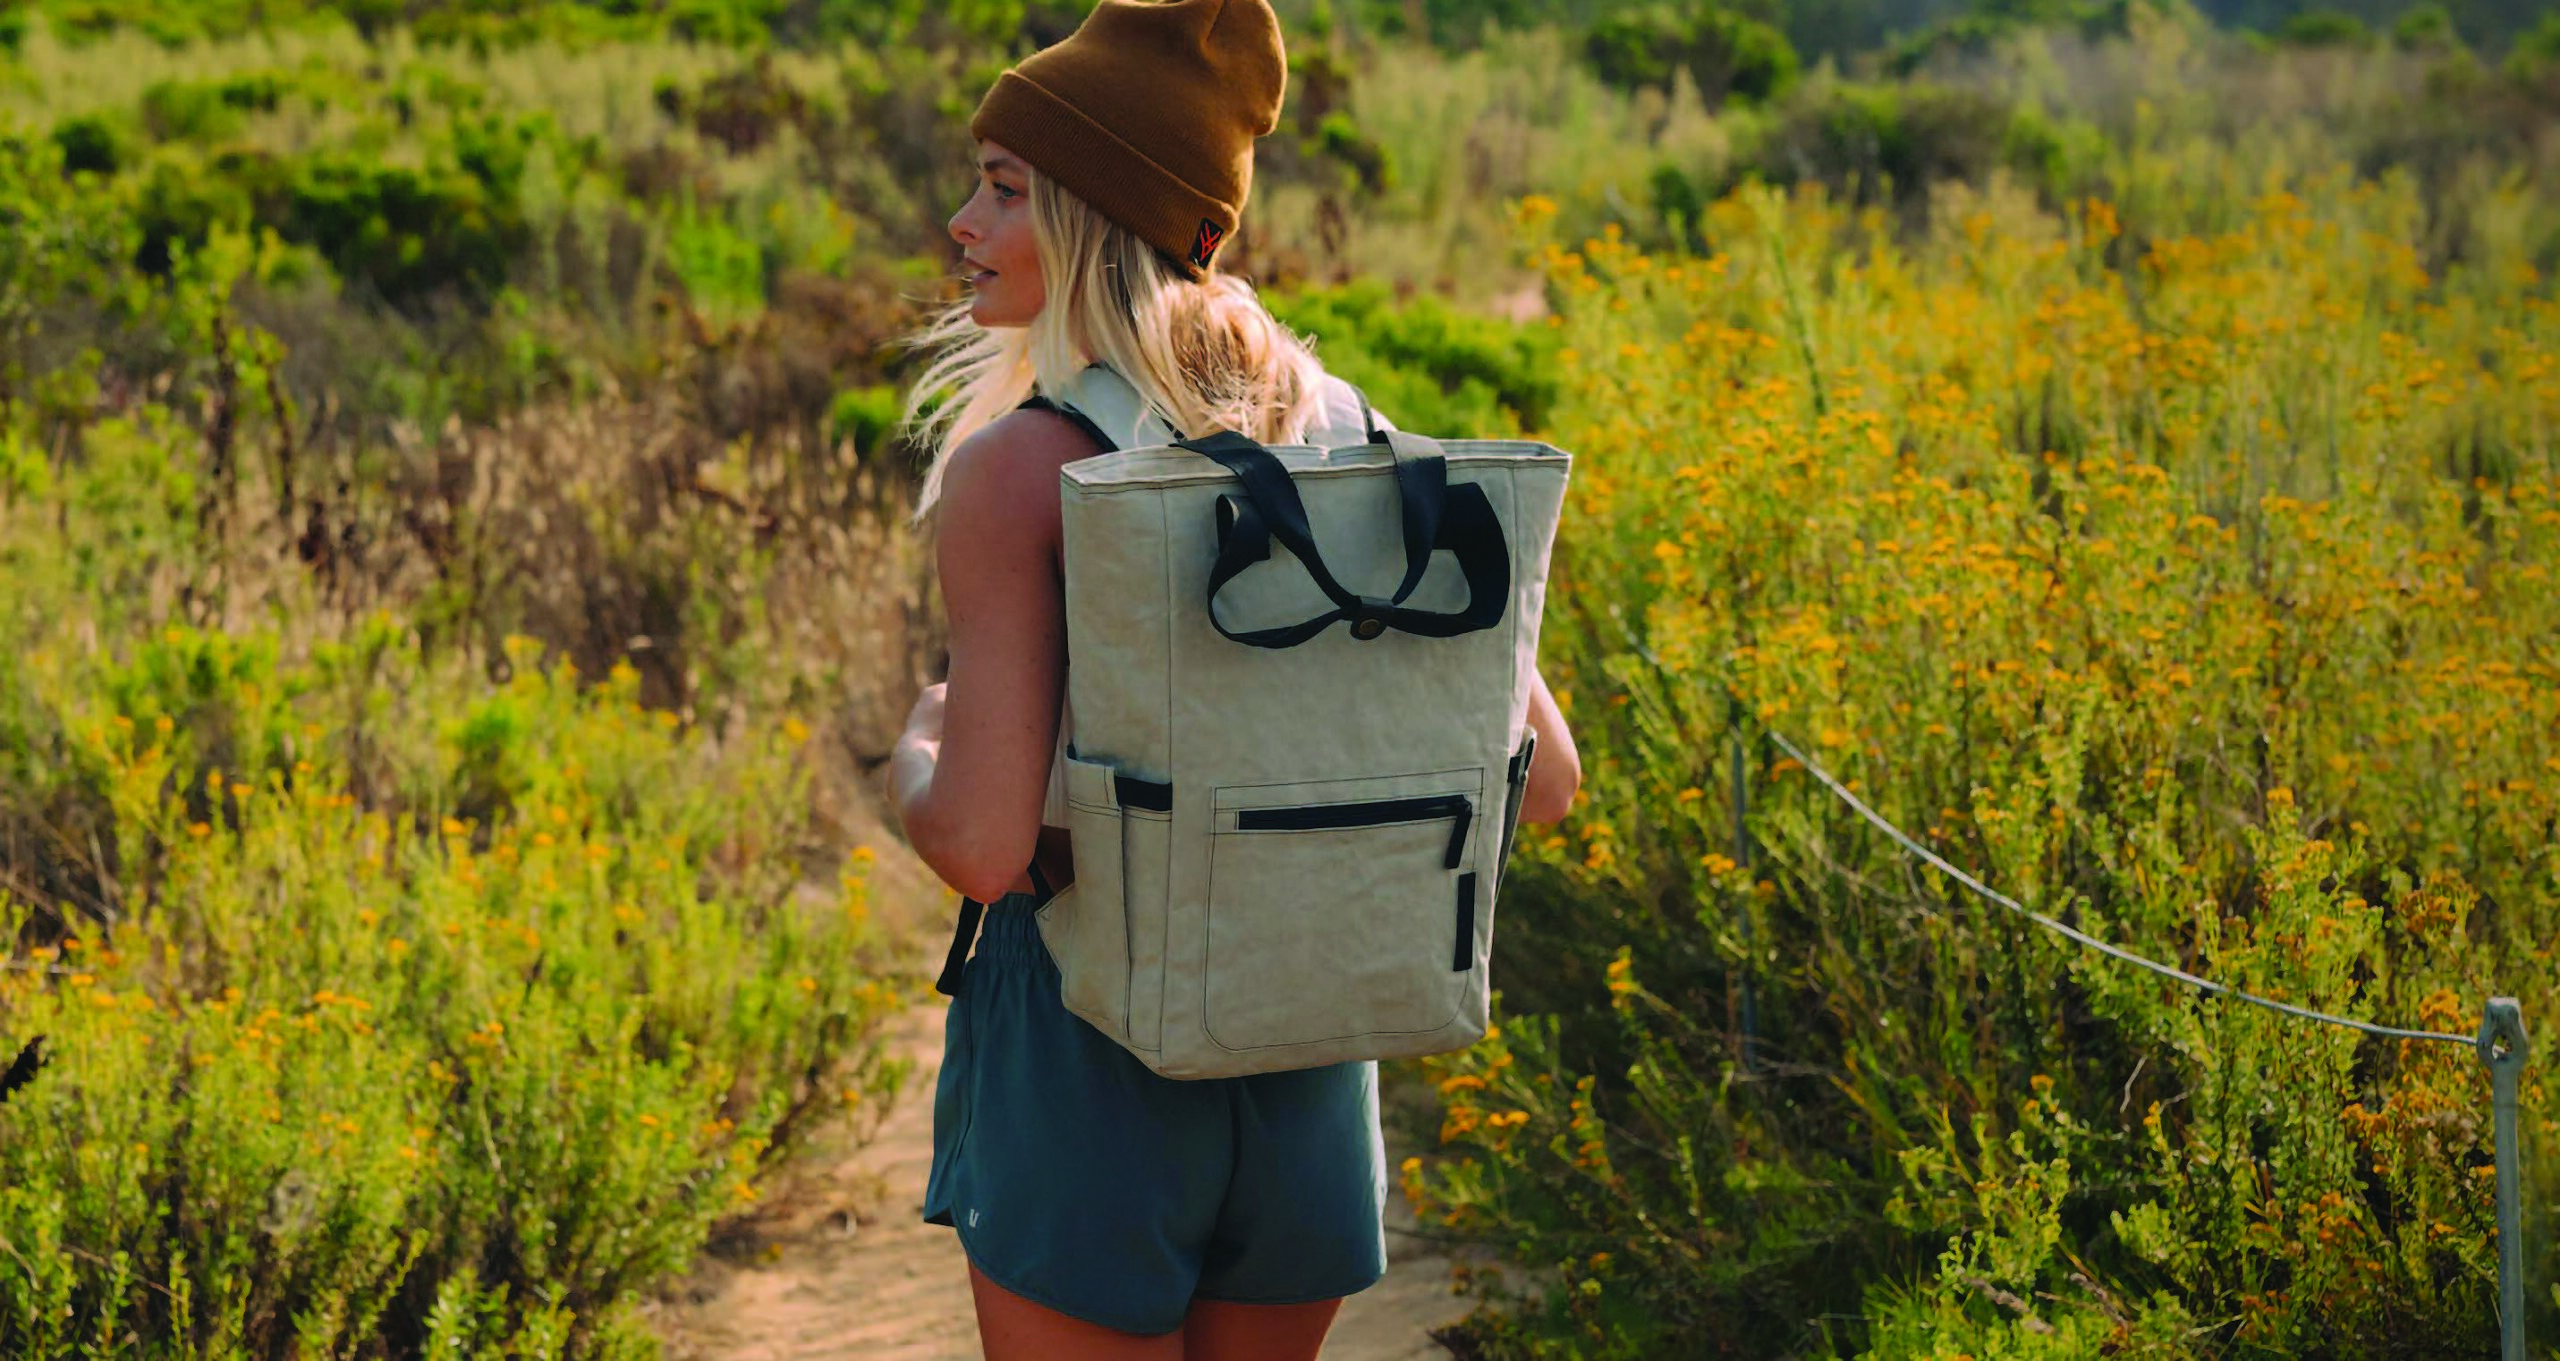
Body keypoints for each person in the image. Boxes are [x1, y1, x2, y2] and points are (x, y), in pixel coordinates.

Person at [885, 3, 1581, 1356]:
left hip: (1091, 1054)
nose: (962, 222)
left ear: (1101, 216)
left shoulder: (1020, 473)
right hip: (1314, 1054)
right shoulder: (1348, 428)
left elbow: (981, 850)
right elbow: (1544, 785)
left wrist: (920, 749)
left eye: (1007, 188)